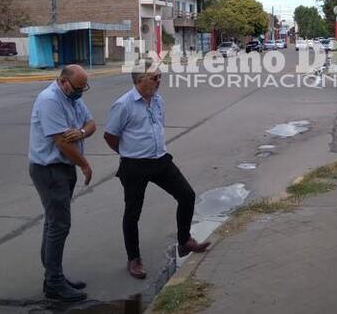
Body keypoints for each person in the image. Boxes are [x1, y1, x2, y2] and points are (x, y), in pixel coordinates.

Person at [104, 60, 210, 280]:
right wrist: (129, 152)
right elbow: (110, 136)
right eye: (155, 78)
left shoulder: (158, 100)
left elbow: (157, 126)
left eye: (160, 76)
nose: (159, 81)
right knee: (133, 212)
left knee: (187, 195)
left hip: (160, 160)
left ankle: (184, 241)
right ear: (139, 80)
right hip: (135, 165)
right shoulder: (123, 105)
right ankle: (134, 259)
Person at [28, 65, 96, 302]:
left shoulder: (72, 98)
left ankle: (53, 276)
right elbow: (62, 142)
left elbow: (91, 123)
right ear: (63, 82)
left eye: (84, 88)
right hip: (49, 170)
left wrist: (82, 132)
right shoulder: (50, 100)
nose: (81, 92)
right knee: (59, 225)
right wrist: (85, 165)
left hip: (64, 168)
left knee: (54, 223)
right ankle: (54, 283)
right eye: (78, 88)